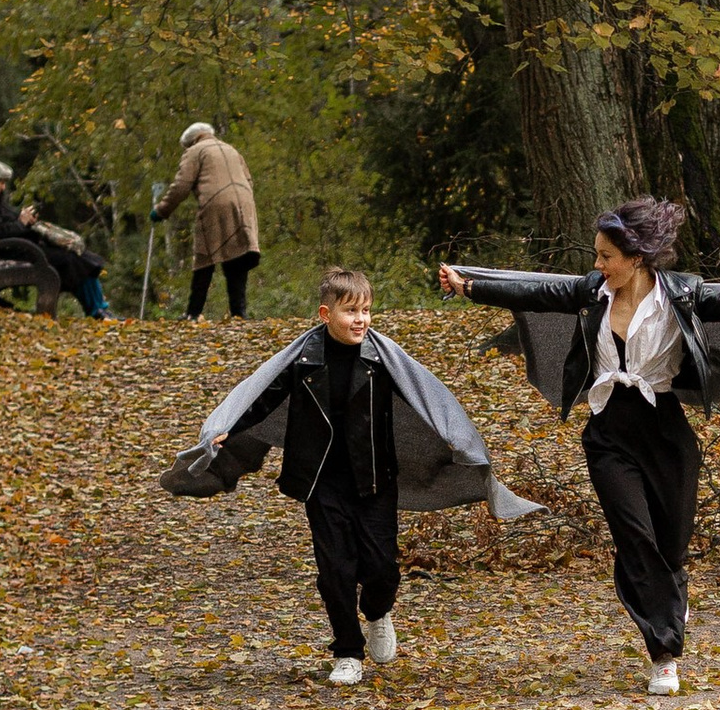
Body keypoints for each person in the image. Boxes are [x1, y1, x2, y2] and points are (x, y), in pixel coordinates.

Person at [439, 200, 720, 695]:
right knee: (634, 538)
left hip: (666, 430)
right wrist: (471, 287)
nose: (597, 265)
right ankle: (664, 651)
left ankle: (668, 600)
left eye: (605, 256)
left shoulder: (683, 294)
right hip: (608, 432)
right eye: (596, 255)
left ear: (636, 258)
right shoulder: (591, 293)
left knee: (670, 545)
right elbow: (535, 290)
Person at [165, 267, 539, 685]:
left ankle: (378, 612)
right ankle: (347, 651)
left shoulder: (383, 359)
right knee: (335, 568)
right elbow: (264, 396)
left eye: (366, 310)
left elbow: (425, 398)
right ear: (326, 314)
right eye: (350, 311)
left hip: (375, 476)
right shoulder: (303, 359)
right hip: (321, 479)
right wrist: (230, 427)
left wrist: (452, 436)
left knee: (381, 567)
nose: (360, 319)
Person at [0, 159, 111, 318]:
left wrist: (24, 219)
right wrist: (21, 222)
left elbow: (4, 224)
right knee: (72, 259)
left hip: (18, 248)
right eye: (0, 183)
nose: (3, 187)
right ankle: (97, 310)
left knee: (79, 257)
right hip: (12, 251)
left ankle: (99, 309)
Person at [154, 122, 261, 318]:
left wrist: (162, 211)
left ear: (191, 141)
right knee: (236, 258)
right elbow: (249, 180)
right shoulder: (231, 150)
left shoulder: (195, 151)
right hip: (245, 204)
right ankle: (239, 314)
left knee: (204, 258)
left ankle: (193, 313)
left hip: (215, 204)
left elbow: (181, 185)